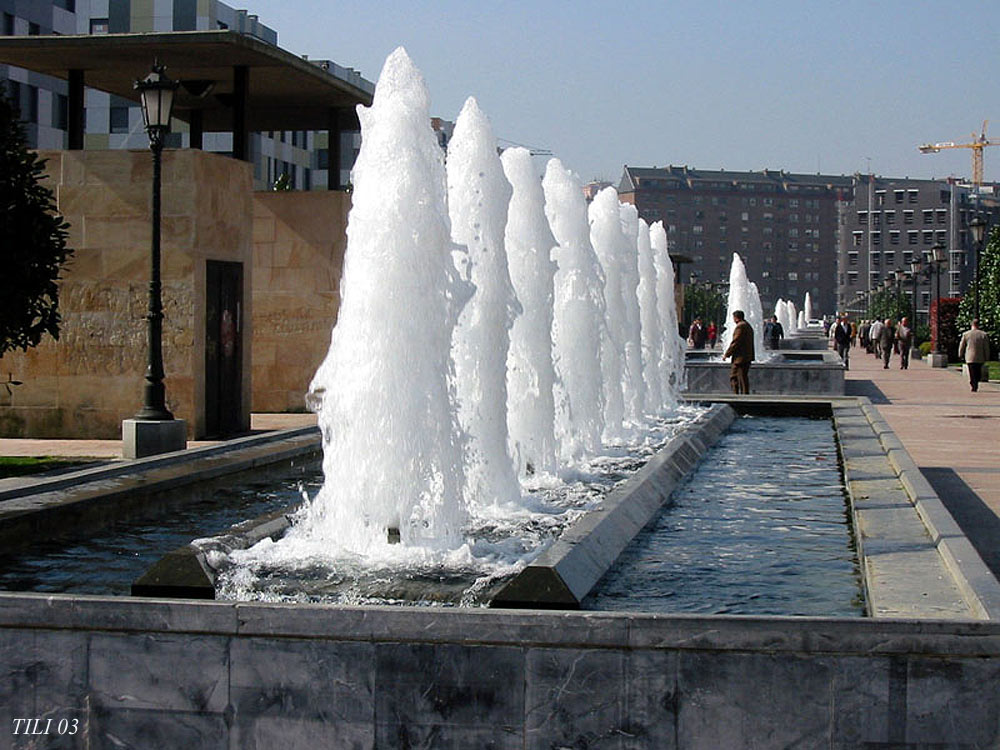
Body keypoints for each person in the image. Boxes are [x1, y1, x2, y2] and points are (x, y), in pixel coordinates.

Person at [723, 309, 755, 394]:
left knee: (734, 377)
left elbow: (736, 342)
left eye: (733, 318)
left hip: (740, 358)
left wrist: (727, 354)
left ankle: (736, 396)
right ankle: (744, 395)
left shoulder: (740, 326)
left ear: (736, 318)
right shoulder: (748, 325)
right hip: (747, 357)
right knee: (743, 378)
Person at [958, 319, 991, 392]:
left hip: (970, 357)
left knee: (972, 372)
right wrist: (987, 356)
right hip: (980, 357)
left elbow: (962, 346)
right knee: (978, 372)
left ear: (971, 325)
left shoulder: (966, 334)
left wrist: (960, 354)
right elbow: (986, 347)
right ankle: (975, 383)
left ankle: (973, 383)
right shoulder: (983, 335)